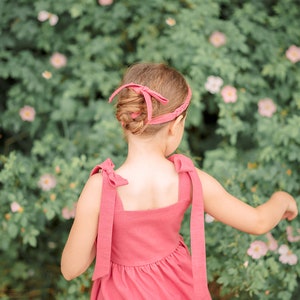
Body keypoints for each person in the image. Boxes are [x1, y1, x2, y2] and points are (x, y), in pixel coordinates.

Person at [61, 62, 298, 300]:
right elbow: (258, 222)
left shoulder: (100, 188)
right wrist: (282, 199)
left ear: (125, 120)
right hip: (178, 287)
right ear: (176, 126)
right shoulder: (191, 180)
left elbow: (71, 269)